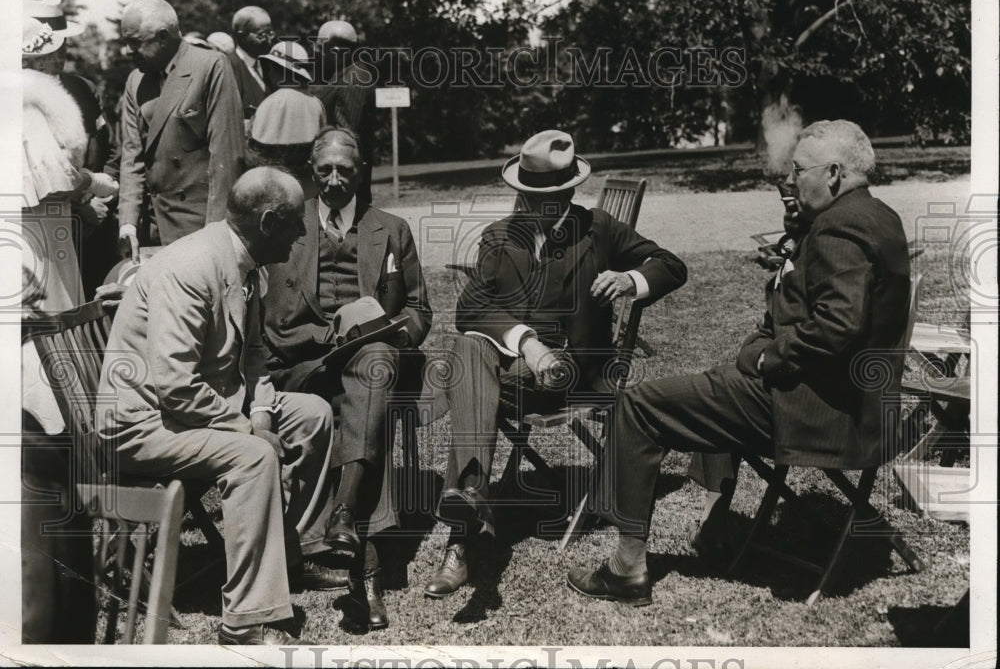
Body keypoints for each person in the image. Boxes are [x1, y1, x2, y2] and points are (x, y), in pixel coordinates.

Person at [568, 120, 911, 606]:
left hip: (817, 414)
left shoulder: (842, 226)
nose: (791, 181)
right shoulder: (878, 215)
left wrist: (771, 356)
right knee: (717, 382)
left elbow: (839, 325)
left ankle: (626, 566)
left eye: (799, 171)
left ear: (833, 172)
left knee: (642, 404)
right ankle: (715, 525)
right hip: (858, 409)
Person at [423, 129, 688, 598]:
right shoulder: (500, 236)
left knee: (468, 370)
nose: (539, 205)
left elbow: (669, 264)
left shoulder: (598, 228)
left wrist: (629, 278)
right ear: (519, 190)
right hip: (516, 372)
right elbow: (471, 310)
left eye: (552, 194)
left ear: (570, 190)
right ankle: (467, 506)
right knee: (469, 348)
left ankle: (461, 538)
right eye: (530, 195)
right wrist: (525, 342)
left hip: (576, 373)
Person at [97, 168, 343, 645]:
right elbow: (176, 387)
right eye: (296, 223)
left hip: (189, 409)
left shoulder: (246, 261)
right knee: (254, 458)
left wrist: (262, 415)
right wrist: (250, 433)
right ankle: (244, 622)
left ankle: (292, 554)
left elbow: (253, 356)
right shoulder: (192, 269)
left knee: (312, 415)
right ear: (269, 222)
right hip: (142, 424)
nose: (302, 233)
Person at [262, 127, 434, 630]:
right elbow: (275, 323)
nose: (335, 180)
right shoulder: (288, 228)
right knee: (369, 405)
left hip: (373, 359)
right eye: (325, 171)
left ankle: (353, 547)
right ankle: (360, 547)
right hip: (306, 363)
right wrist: (330, 334)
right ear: (311, 174)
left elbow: (420, 307)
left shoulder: (391, 228)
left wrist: (398, 333)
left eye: (345, 170)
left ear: (361, 171)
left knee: (373, 365)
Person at [20, 14, 119, 644]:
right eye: (52, 54)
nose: (59, 63)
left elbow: (62, 187)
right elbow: (51, 185)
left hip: (54, 273)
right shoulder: (28, 114)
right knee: (51, 446)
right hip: (38, 283)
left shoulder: (39, 113)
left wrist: (86, 190)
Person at [117, 0, 245, 258]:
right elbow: (132, 158)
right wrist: (128, 225)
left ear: (163, 38)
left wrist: (216, 238)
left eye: (135, 43)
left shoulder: (210, 66)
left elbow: (227, 158)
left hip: (198, 230)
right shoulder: (135, 82)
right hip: (150, 234)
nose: (127, 51)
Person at [24, 0, 118, 298]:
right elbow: (49, 173)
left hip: (86, 222)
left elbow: (107, 147)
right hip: (44, 221)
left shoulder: (82, 89)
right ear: (34, 56)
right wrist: (89, 198)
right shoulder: (24, 99)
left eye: (64, 44)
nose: (62, 52)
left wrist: (101, 200)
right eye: (54, 46)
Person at [310, 20, 375, 203]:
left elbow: (347, 137)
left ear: (336, 50)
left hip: (343, 185)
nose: (316, 51)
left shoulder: (353, 79)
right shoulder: (344, 75)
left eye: (320, 46)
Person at [247, 40, 326, 174]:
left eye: (271, 68)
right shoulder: (316, 103)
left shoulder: (271, 102)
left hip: (276, 180)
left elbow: (256, 151)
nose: (270, 74)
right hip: (309, 182)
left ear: (280, 71)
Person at [228, 5, 274, 121]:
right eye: (262, 35)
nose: (269, 40)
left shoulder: (270, 65)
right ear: (241, 36)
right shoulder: (228, 67)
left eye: (270, 33)